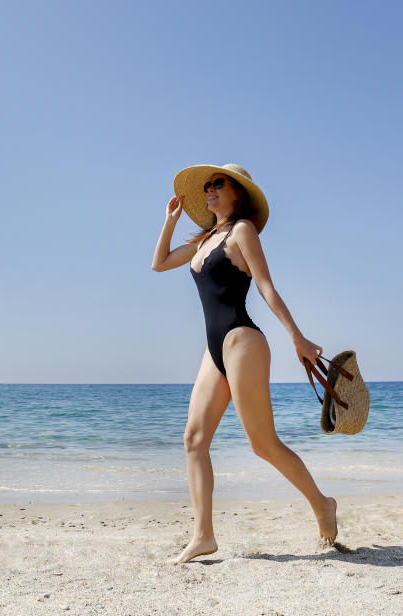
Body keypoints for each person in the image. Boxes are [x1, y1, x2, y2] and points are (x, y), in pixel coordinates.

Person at [151, 163, 338, 563]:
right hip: (213, 348)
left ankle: (323, 505)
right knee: (194, 441)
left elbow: (267, 286)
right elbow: (160, 262)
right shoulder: (205, 241)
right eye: (207, 186)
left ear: (237, 193)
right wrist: (170, 221)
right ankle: (203, 535)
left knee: (263, 444)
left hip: (242, 340)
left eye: (217, 184)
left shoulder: (242, 232)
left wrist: (297, 337)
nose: (210, 191)